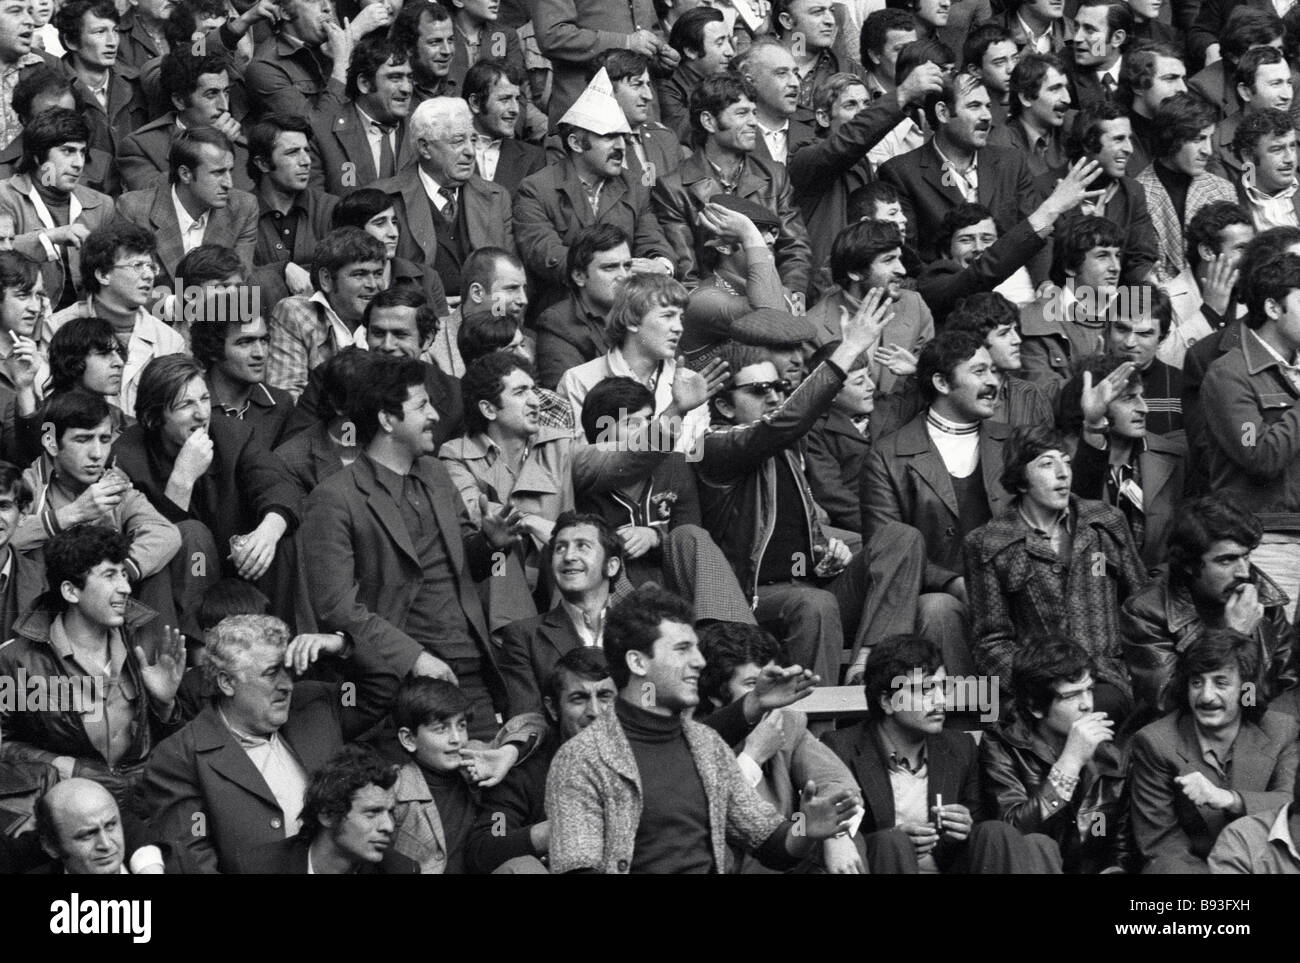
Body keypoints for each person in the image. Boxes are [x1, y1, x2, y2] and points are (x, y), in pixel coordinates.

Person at [545, 583, 860, 874]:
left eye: (695, 649)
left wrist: (806, 827)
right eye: (682, 649)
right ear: (638, 663)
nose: (698, 661)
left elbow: (770, 842)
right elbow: (578, 868)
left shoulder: (706, 745)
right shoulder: (581, 759)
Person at [697, 292, 927, 682]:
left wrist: (822, 551)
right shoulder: (715, 447)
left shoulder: (788, 449)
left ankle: (870, 663)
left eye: (777, 389)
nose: (772, 397)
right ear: (724, 407)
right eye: (757, 391)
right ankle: (818, 723)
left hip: (807, 587)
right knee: (814, 603)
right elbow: (782, 423)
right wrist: (851, 345)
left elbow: (789, 533)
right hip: (751, 599)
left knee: (901, 538)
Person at [297, 354, 518, 740]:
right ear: (387, 420)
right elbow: (336, 608)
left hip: (472, 667)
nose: (434, 414)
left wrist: (490, 544)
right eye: (422, 406)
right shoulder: (334, 497)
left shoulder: (435, 472)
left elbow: (468, 564)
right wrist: (414, 658)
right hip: (403, 678)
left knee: (492, 784)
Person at [139, 614, 400, 873]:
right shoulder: (180, 757)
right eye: (272, 673)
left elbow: (380, 690)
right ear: (227, 682)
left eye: (287, 670)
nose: (287, 685)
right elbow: (194, 861)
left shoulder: (315, 706)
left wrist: (340, 646)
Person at [821, 632, 1062, 873]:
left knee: (994, 831)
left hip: (944, 864)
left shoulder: (960, 747)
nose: (939, 700)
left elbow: (980, 824)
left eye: (943, 687)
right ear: (887, 701)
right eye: (925, 689)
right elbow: (835, 834)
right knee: (892, 842)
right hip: (882, 862)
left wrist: (965, 827)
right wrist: (897, 836)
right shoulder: (841, 747)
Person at [964, 425, 1149, 719]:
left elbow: (1143, 607)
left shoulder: (1106, 522)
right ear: (1021, 481)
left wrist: (1132, 671)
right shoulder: (988, 543)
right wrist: (1037, 686)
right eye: (1047, 464)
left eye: (1065, 460)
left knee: (1098, 708)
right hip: (1039, 690)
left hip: (1107, 680)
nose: (1063, 473)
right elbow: (991, 642)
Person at [863, 329, 1014, 679]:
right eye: (979, 371)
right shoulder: (888, 456)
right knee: (938, 609)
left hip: (1012, 589)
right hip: (935, 597)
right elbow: (887, 548)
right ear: (942, 383)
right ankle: (963, 726)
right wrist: (952, 583)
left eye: (995, 371)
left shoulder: (1015, 444)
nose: (994, 382)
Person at [0, 523, 186, 802]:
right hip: (71, 807)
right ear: (71, 591)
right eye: (109, 575)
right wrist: (60, 765)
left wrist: (165, 705)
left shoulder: (145, 643)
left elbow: (177, 749)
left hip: (146, 800)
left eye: (124, 574)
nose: (125, 587)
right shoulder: (19, 661)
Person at [112, 354, 301, 626]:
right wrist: (181, 481)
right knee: (192, 534)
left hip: (237, 565)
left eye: (203, 399)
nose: (201, 414)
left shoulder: (232, 434)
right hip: (180, 579)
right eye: (186, 405)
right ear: (155, 417)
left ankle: (287, 643)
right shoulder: (128, 455)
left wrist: (268, 532)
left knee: (285, 535)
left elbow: (278, 484)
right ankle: (196, 651)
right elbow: (155, 544)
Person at [698, 620, 864, 873]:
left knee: (850, 840)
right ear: (715, 695)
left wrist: (835, 836)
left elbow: (839, 784)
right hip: (726, 861)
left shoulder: (786, 722)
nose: (769, 694)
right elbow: (715, 814)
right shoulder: (695, 734)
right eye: (753, 684)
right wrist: (753, 757)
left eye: (774, 679)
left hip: (784, 848)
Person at [1129, 628, 1299, 873]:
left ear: (1246, 689)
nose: (1206, 696)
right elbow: (1161, 846)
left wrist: (1230, 799)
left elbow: (1291, 803)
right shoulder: (1155, 743)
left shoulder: (1280, 729)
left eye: (1221, 683)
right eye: (1196, 683)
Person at [1122, 495, 1298, 726]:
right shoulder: (1146, 612)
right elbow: (1170, 700)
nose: (1244, 572)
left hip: (1255, 729)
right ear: (1189, 564)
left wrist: (1260, 731)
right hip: (1180, 738)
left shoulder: (1262, 598)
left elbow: (1288, 684)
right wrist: (1232, 637)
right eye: (1227, 561)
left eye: (1246, 556)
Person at [515, 68, 674, 309]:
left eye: (623, 137)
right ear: (576, 143)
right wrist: (611, 270)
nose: (621, 146)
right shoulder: (537, 189)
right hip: (565, 311)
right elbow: (546, 256)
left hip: (624, 309)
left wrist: (660, 264)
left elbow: (652, 240)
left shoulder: (633, 185)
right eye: (610, 137)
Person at [979, 634, 1138, 874]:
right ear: (1035, 706)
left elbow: (1115, 843)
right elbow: (1012, 833)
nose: (1087, 704)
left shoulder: (1110, 758)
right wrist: (1070, 763)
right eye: (1072, 695)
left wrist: (1114, 869)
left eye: (1089, 690)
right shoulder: (1004, 746)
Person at [1201, 248, 1300, 621]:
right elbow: (1258, 453)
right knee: (1271, 660)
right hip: (1265, 541)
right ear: (1273, 308)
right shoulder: (1229, 374)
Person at [652, 73, 813, 297]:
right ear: (708, 121)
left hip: (774, 302)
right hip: (711, 312)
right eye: (741, 113)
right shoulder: (673, 188)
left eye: (754, 113)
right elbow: (687, 273)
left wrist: (791, 298)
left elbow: (795, 250)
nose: (753, 122)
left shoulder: (775, 175)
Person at [467, 646, 615, 874]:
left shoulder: (647, 757)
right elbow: (488, 843)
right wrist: (552, 831)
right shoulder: (524, 772)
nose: (595, 711)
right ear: (553, 708)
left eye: (605, 696)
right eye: (579, 698)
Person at [877, 69, 1039, 266]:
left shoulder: (1012, 163)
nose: (987, 116)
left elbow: (1037, 230)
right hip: (943, 291)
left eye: (988, 106)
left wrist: (1044, 284)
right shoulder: (902, 173)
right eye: (974, 106)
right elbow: (909, 257)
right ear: (943, 113)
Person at [371, 96, 515, 300]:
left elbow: (507, 284)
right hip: (416, 322)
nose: (470, 152)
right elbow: (374, 284)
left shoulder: (497, 197)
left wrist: (497, 319)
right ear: (424, 148)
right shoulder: (385, 199)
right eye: (458, 141)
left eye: (473, 140)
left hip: (483, 321)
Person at [1058, 353, 1185, 573]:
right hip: (1087, 592)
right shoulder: (1061, 462)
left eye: (1141, 396)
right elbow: (1078, 524)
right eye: (1128, 399)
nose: (1144, 408)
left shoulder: (1174, 459)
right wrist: (1094, 424)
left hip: (1152, 594)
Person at [49, 221, 187, 417]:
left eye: (151, 266)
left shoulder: (169, 341)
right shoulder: (56, 328)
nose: (148, 275)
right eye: (137, 265)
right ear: (103, 275)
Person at [232, 745, 417, 874]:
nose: (388, 826)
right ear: (327, 814)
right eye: (372, 813)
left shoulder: (401, 869)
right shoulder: (259, 868)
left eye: (390, 812)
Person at [0, 108, 115, 312]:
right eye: (68, 151)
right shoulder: (5, 197)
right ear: (37, 157)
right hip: (25, 324)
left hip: (87, 322)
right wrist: (49, 237)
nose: (78, 163)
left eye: (82, 152)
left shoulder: (102, 205)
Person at [115, 126, 257, 289]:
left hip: (219, 310)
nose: (228, 183)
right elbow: (127, 286)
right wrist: (174, 305)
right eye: (218, 173)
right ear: (185, 174)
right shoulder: (134, 209)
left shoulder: (243, 207)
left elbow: (240, 284)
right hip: (157, 312)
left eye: (230, 171)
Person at [266, 227, 384, 401]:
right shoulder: (295, 313)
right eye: (359, 274)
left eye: (378, 274)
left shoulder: (389, 317)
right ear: (326, 279)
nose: (373, 284)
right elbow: (288, 397)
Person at [117, 51, 248, 194]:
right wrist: (212, 146)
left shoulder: (242, 146)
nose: (224, 105)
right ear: (180, 101)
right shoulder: (140, 147)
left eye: (226, 93)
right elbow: (158, 201)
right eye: (211, 94)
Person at [247, 114, 339, 307]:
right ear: (262, 163)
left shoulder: (329, 208)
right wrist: (283, 270)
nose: (306, 161)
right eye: (292, 152)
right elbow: (234, 278)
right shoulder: (238, 212)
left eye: (306, 150)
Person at [309, 32, 415, 197]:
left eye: (410, 78)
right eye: (395, 78)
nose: (407, 88)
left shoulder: (424, 128)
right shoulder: (323, 133)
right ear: (365, 84)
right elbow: (317, 208)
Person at [189, 285, 293, 450]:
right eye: (245, 343)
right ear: (213, 349)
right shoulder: (191, 406)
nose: (260, 353)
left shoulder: (280, 404)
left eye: (264, 340)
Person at [534, 224, 631, 390]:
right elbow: (568, 398)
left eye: (627, 266)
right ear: (579, 276)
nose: (623, 276)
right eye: (610, 267)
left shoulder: (643, 311)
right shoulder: (557, 322)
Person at [944, 293, 1054, 428]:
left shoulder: (1032, 395)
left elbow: (1045, 446)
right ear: (977, 342)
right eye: (1004, 333)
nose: (1017, 340)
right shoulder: (953, 395)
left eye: (1016, 330)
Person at [34, 777, 166, 874]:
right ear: (51, 847)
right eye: (88, 834)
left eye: (110, 825)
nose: (106, 845)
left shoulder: (177, 866)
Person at [464, 58, 545, 194]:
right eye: (505, 99)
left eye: (517, 99)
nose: (515, 109)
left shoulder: (533, 159)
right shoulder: (449, 154)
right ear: (475, 103)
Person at [657, 7, 732, 142]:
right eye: (720, 43)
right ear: (691, 51)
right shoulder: (668, 87)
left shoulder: (729, 76)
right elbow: (689, 138)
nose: (730, 51)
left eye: (729, 41)